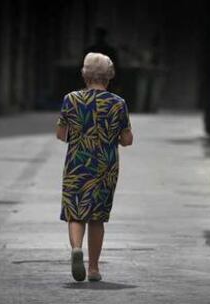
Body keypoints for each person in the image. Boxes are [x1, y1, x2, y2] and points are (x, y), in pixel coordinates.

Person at [56, 52, 133, 282]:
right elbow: (127, 139)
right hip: (105, 165)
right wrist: (113, 137)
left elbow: (61, 134)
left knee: (75, 211)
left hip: (77, 162)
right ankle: (94, 268)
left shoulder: (71, 99)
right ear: (109, 76)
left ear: (84, 75)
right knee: (97, 217)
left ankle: (76, 248)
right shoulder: (118, 103)